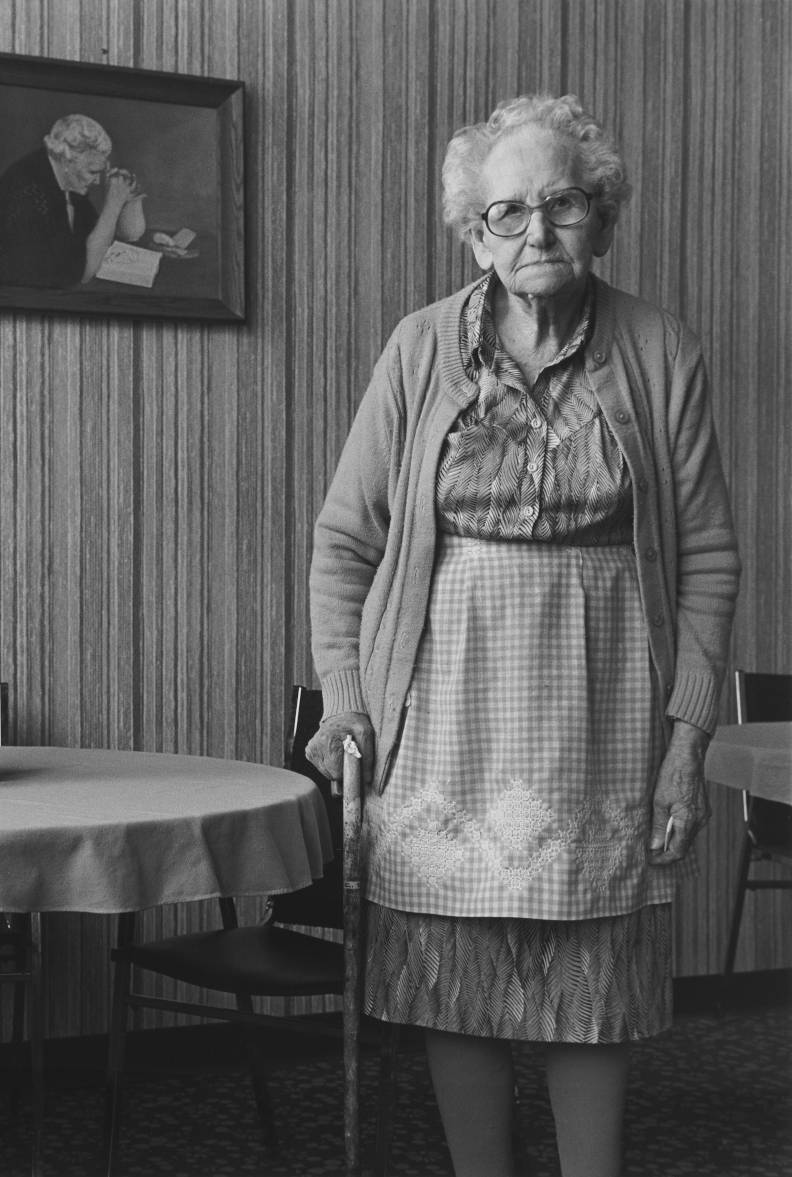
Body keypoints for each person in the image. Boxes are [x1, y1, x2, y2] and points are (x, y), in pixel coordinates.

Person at [306, 93, 739, 1177]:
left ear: (604, 213)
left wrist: (688, 741)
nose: (535, 234)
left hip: (604, 709)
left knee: (592, 973)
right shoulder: (418, 350)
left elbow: (708, 558)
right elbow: (345, 540)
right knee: (453, 971)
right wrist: (346, 699)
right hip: (442, 706)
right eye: (507, 213)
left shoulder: (657, 348)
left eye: (561, 205)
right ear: (473, 231)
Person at [0, 113, 146, 289]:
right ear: (65, 160)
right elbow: (81, 274)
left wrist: (130, 199)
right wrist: (113, 204)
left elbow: (127, 235)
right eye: (92, 172)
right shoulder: (29, 195)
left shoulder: (65, 176)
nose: (97, 181)